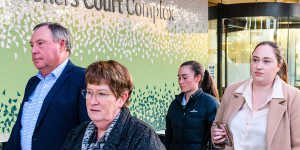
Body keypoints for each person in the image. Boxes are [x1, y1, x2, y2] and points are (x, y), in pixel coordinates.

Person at [4, 22, 89, 150]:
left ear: (61, 44)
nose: (33, 50)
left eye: (40, 43)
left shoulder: (83, 78)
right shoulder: (33, 83)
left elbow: (90, 132)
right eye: (32, 45)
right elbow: (20, 128)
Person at [211, 41, 300, 150]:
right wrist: (217, 136)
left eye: (266, 61)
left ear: (278, 66)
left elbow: (297, 145)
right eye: (255, 60)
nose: (258, 66)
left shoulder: (294, 97)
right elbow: (217, 125)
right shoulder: (232, 91)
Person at [61, 60, 166, 150]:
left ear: (122, 98)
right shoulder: (77, 134)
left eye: (101, 93)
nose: (93, 101)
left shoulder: (142, 137)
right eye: (89, 92)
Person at [165, 60, 219, 150]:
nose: (180, 81)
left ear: (197, 78)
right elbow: (168, 137)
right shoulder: (174, 105)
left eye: (185, 78)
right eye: (179, 78)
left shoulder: (210, 104)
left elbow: (217, 141)